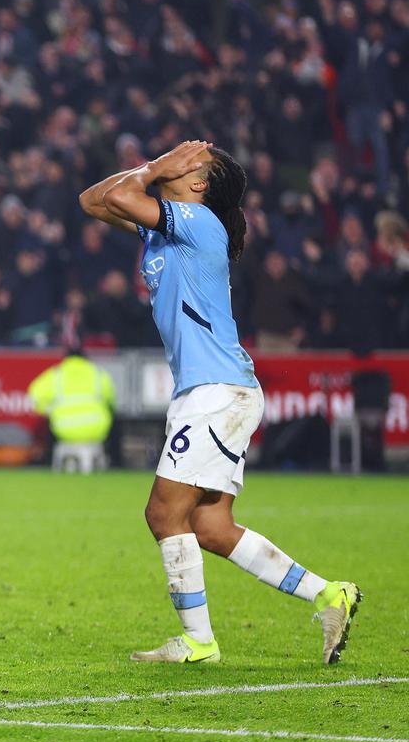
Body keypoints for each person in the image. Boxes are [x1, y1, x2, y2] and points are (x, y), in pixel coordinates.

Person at [79, 140, 359, 665]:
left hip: (215, 391)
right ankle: (328, 594)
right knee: (209, 526)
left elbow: (118, 194)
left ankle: (198, 642)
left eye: (189, 160)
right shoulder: (168, 226)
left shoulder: (198, 222)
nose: (175, 158)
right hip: (214, 391)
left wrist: (155, 168)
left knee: (163, 514)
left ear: (198, 184)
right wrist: (156, 167)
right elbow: (93, 201)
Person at [27, 348, 115, 467]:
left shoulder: (56, 374)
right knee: (114, 422)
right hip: (96, 429)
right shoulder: (98, 374)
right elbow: (112, 401)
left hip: (64, 429)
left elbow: (34, 396)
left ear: (66, 359)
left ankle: (48, 463)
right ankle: (115, 463)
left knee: (47, 425)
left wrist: (49, 410)